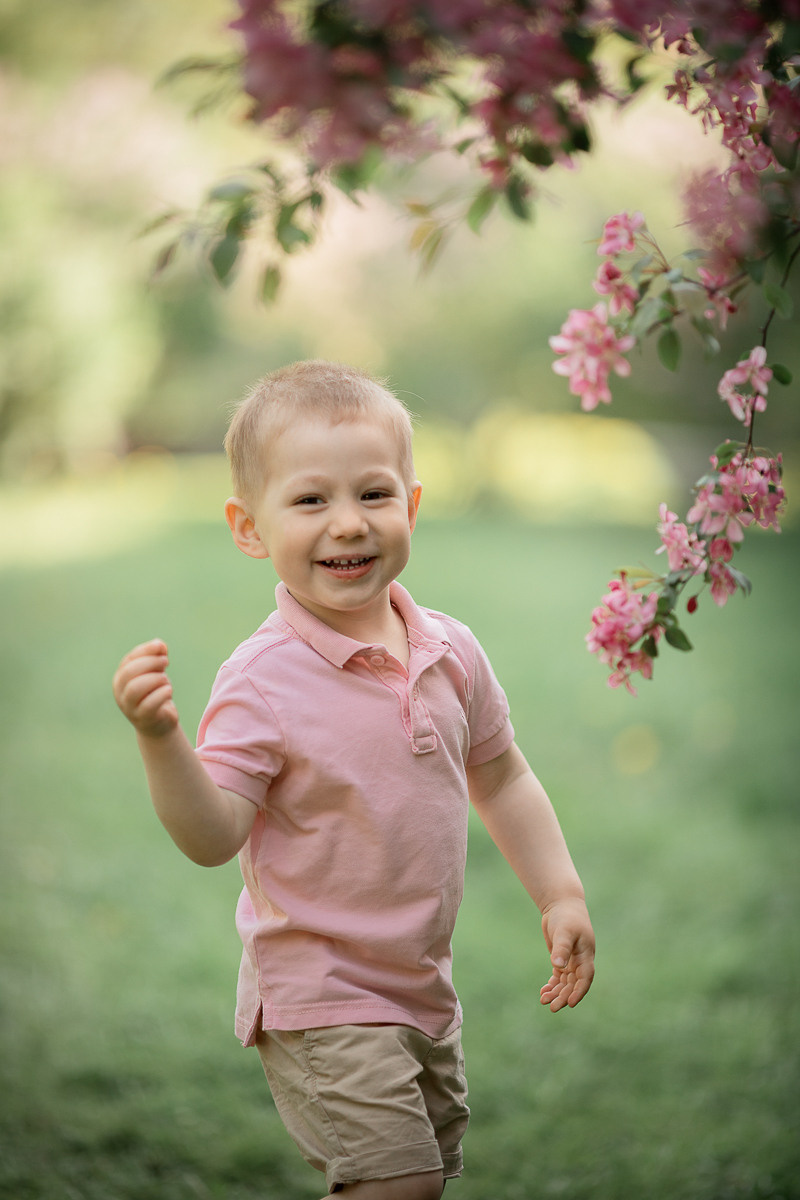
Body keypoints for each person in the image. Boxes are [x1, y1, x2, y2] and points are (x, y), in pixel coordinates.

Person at [112, 360, 595, 1200]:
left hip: (421, 983)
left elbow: (502, 776)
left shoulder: (450, 650)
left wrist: (560, 893)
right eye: (310, 500)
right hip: (319, 990)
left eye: (374, 494)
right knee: (402, 1183)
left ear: (411, 505)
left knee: (419, 1176)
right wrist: (161, 741)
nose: (348, 523)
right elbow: (213, 836)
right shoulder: (263, 680)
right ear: (249, 527)